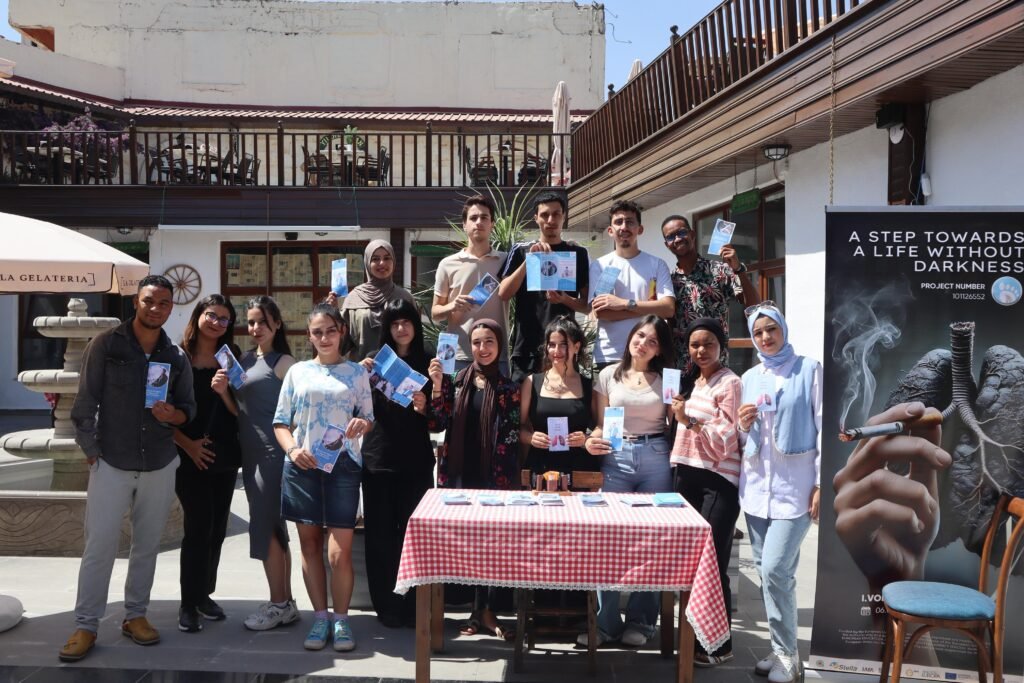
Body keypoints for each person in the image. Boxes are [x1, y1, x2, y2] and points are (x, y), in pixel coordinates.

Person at [60, 275, 196, 662]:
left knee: (147, 547)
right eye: (149, 301)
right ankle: (86, 624)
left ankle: (135, 616)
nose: (156, 308)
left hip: (159, 460)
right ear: (136, 302)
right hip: (112, 461)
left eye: (164, 303)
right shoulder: (105, 345)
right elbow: (83, 404)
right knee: (99, 547)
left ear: (172, 307)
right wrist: (91, 453)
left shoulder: (176, 356)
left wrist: (176, 414)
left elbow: (190, 408)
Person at [273, 303, 374, 652]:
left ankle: (342, 619)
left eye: (331, 330)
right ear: (309, 336)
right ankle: (320, 618)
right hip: (303, 466)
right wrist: (292, 450)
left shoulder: (357, 373)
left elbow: (367, 417)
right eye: (317, 332)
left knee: (339, 552)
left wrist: (362, 424)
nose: (325, 337)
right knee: (310, 546)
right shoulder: (297, 372)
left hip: (343, 466)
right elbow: (281, 422)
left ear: (341, 332)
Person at [736, 302, 822, 683]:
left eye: (771, 329)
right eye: (758, 333)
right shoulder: (750, 376)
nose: (766, 337)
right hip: (756, 490)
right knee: (773, 574)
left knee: (773, 569)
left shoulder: (809, 370)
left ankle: (789, 658)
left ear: (783, 328)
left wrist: (820, 483)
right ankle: (780, 649)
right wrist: (742, 424)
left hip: (795, 489)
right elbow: (745, 438)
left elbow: (823, 427)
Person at [581, 315, 675, 648]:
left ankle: (643, 621)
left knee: (653, 538)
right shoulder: (608, 375)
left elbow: (676, 424)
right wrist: (592, 440)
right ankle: (606, 624)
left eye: (652, 340)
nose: (643, 344)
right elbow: (600, 424)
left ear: (660, 348)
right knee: (606, 537)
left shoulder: (668, 378)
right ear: (630, 338)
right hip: (616, 457)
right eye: (639, 336)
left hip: (656, 455)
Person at [358, 298, 447, 628]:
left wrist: (429, 401)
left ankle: (414, 605)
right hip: (378, 460)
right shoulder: (375, 363)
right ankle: (386, 607)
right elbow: (358, 410)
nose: (401, 328)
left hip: (415, 462)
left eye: (406, 321)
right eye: (394, 323)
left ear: (415, 324)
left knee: (414, 535)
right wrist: (361, 376)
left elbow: (440, 423)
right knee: (380, 537)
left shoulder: (430, 363)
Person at [431, 318, 520, 640]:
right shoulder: (457, 381)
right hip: (459, 475)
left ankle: (486, 610)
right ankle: (476, 609)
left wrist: (501, 485)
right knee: (468, 546)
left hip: (494, 479)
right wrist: (438, 383)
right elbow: (436, 421)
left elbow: (509, 437)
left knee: (492, 545)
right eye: (477, 342)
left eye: (489, 342)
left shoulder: (508, 387)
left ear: (499, 346)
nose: (482, 349)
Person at [669, 317, 743, 666]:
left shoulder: (729, 382)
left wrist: (690, 421)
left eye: (708, 344)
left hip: (717, 481)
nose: (700, 350)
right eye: (695, 344)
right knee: (692, 564)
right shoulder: (690, 381)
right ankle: (693, 635)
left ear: (721, 345)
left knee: (713, 562)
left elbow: (727, 439)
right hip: (687, 477)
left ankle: (719, 645)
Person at [172, 295, 243, 633]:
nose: (217, 322)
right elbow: (158, 409)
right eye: (212, 315)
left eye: (224, 319)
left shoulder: (230, 359)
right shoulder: (177, 357)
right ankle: (187, 604)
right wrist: (189, 446)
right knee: (197, 527)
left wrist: (225, 391)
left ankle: (203, 595)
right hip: (188, 456)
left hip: (225, 455)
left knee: (216, 529)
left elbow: (241, 412)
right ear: (199, 315)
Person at [234, 296, 299, 632]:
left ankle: (278, 604)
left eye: (262, 321)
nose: (255, 328)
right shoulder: (243, 360)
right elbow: (240, 410)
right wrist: (220, 393)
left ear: (276, 323)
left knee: (265, 526)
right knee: (272, 527)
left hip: (273, 455)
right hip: (250, 454)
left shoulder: (284, 362)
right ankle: (284, 602)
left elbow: (299, 407)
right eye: (251, 322)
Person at [496, 192, 590, 383]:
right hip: (527, 349)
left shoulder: (577, 253)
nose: (550, 220)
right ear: (536, 218)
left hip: (563, 349)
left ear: (564, 216)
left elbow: (587, 305)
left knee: (563, 408)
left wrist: (564, 299)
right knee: (523, 410)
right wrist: (530, 261)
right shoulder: (521, 250)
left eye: (556, 214)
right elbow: (503, 293)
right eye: (545, 215)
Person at [589, 200, 675, 370]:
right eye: (618, 222)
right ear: (610, 230)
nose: (624, 227)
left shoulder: (657, 264)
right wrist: (648, 309)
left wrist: (623, 303)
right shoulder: (600, 265)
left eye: (630, 221)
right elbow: (601, 312)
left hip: (649, 354)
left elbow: (668, 309)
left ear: (639, 229)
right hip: (610, 355)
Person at [431, 195, 509, 374]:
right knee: (457, 403)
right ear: (464, 225)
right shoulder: (447, 264)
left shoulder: (506, 261)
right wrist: (452, 305)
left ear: (492, 224)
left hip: (497, 355)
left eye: (484, 217)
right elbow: (435, 313)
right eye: (473, 218)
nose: (478, 222)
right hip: (457, 355)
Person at [519, 316, 595, 475]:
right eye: (551, 345)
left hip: (579, 469)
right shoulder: (532, 382)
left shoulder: (589, 385)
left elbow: (602, 426)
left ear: (576, 347)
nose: (556, 351)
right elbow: (517, 427)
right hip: (540, 468)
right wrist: (530, 437)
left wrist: (586, 438)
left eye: (563, 345)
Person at [326, 239, 416, 362]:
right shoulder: (353, 299)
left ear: (394, 262)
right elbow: (342, 345)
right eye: (375, 259)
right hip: (362, 372)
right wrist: (332, 314)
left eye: (387, 258)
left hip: (400, 374)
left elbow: (415, 338)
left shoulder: (404, 298)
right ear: (367, 262)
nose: (382, 263)